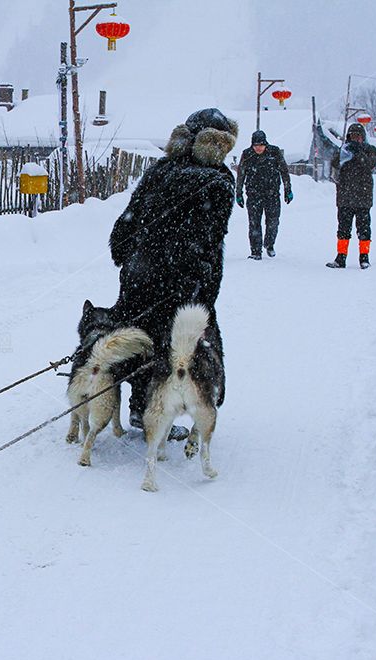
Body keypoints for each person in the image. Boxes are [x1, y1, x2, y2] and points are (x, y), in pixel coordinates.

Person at [108, 108, 237, 431]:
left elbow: (129, 217)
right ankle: (160, 411)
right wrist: (201, 285)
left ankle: (138, 408)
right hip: (180, 280)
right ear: (215, 144)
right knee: (174, 348)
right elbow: (208, 239)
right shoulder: (217, 180)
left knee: (139, 340)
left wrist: (128, 255)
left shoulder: (161, 169)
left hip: (140, 273)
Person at [328, 122, 376, 269]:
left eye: (358, 136)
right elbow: (335, 165)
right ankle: (340, 258)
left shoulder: (370, 150)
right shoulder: (343, 151)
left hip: (363, 197)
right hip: (345, 197)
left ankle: (364, 258)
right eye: (352, 136)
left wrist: (358, 153)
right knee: (343, 229)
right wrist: (343, 153)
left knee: (364, 229)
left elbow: (369, 164)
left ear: (363, 137)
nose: (355, 139)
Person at [235, 130, 292, 259]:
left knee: (273, 222)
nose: (258, 148)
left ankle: (269, 244)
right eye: (255, 146)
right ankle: (255, 251)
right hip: (254, 195)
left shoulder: (274, 152)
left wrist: (288, 190)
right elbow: (241, 175)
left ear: (265, 144)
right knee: (254, 223)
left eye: (261, 145)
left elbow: (284, 171)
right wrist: (238, 193)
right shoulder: (247, 154)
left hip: (272, 194)